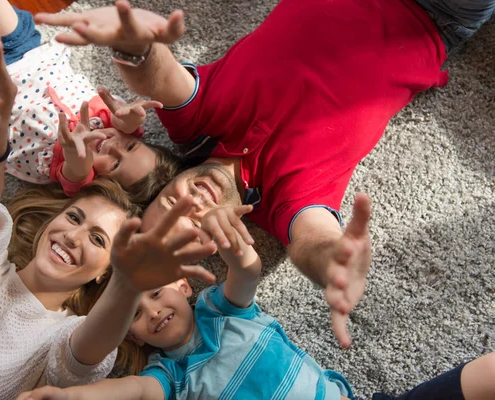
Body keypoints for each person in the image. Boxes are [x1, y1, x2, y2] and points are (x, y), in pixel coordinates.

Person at [35, 0, 495, 347]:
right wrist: (336, 267)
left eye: (169, 203)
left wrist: (132, 43)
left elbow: (161, 76)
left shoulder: (197, 125)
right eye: (194, 224)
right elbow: (313, 239)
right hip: (433, 15)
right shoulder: (284, 201)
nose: (190, 203)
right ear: (218, 241)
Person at [0, 19, 216, 398]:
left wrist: (130, 285)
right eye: (75, 217)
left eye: (97, 239)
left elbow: (90, 348)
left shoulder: (62, 338)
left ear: (105, 274)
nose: (73, 235)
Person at [17, 205, 495, 400]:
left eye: (156, 295)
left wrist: (232, 244)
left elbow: (246, 273)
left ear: (183, 286)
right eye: (135, 317)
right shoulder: (169, 377)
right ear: (132, 335)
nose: (153, 314)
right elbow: (131, 393)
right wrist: (71, 396)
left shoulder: (221, 310)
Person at [0, 0, 179, 204]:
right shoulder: (117, 123)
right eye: (130, 146)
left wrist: (79, 157)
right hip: (23, 49)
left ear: (101, 184)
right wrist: (129, 118)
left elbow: (76, 171)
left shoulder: (75, 173)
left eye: (115, 164)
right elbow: (127, 124)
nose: (112, 146)